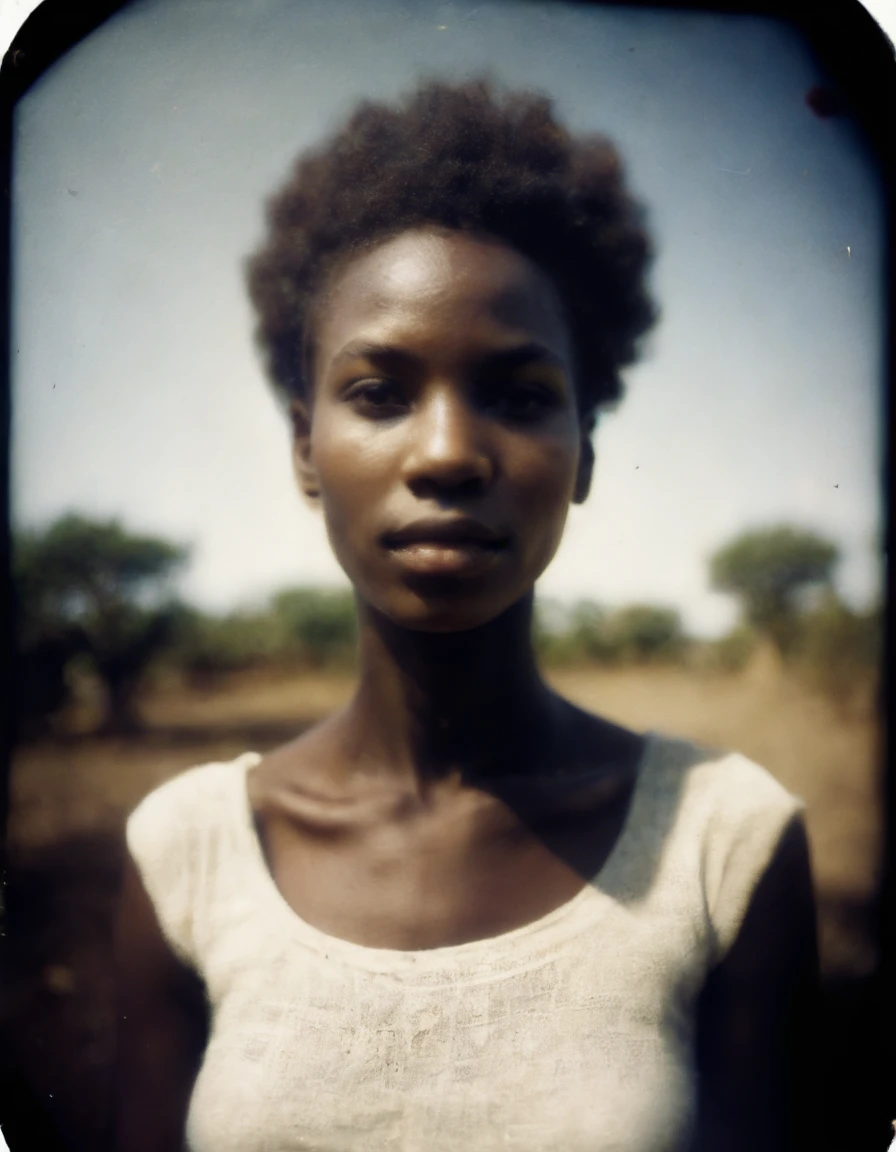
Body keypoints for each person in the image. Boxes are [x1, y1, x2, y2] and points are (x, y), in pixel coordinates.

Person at [111, 80, 818, 1152]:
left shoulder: (728, 848)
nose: (445, 452)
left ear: (581, 454)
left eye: (519, 394)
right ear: (305, 450)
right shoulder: (188, 855)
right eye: (380, 393)